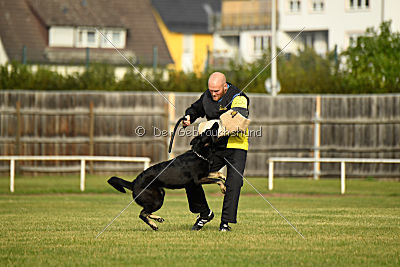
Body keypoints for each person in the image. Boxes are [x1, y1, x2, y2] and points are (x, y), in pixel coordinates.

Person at [183, 72, 249, 232]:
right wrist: (189, 116)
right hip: (214, 147)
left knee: (234, 183)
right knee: (190, 176)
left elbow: (236, 122)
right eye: (211, 90)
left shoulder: (239, 97)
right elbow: (197, 108)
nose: (213, 94)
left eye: (216, 91)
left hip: (236, 145)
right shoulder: (207, 96)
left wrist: (208, 127)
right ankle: (204, 213)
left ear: (225, 87)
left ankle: (225, 223)